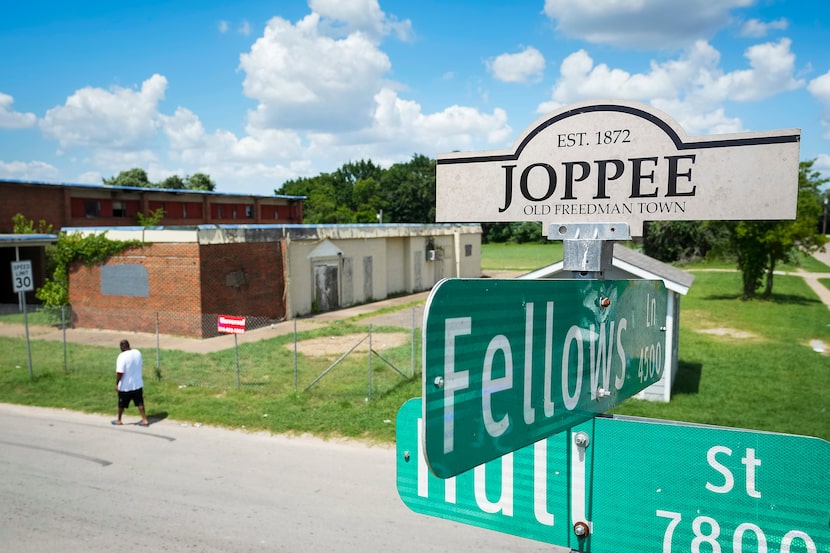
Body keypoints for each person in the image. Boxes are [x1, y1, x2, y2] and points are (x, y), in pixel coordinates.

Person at [114, 339, 149, 426]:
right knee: (140, 402)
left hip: (126, 386)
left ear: (121, 348)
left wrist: (117, 383)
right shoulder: (137, 352)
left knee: (121, 404)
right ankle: (144, 419)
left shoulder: (121, 356)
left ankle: (119, 420)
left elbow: (120, 372)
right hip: (137, 384)